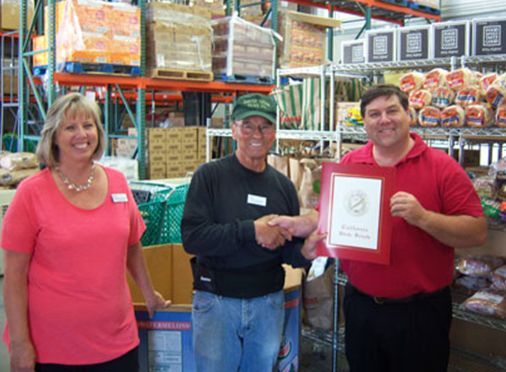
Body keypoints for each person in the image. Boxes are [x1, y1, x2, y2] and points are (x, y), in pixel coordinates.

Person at [270, 84, 487, 372]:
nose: (384, 120)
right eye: (374, 114)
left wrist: (424, 217)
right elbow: (328, 215)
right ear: (365, 124)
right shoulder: (352, 162)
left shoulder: (442, 167)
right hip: (362, 308)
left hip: (420, 314)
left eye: (392, 111)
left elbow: (477, 231)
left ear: (408, 114)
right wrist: (300, 222)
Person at [2, 93, 170, 372]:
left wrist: (149, 293)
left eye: (88, 125)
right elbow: (14, 277)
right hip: (54, 348)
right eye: (70, 127)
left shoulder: (117, 183)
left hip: (119, 343)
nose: (82, 134)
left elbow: (131, 245)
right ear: (54, 137)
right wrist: (20, 343)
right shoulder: (31, 193)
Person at [181, 93, 315, 372]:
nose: (257, 134)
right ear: (233, 130)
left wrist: (305, 253)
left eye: (264, 126)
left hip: (267, 303)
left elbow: (287, 249)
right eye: (247, 126)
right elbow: (193, 238)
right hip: (217, 302)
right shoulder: (209, 176)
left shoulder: (283, 186)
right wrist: (251, 230)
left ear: (274, 133)